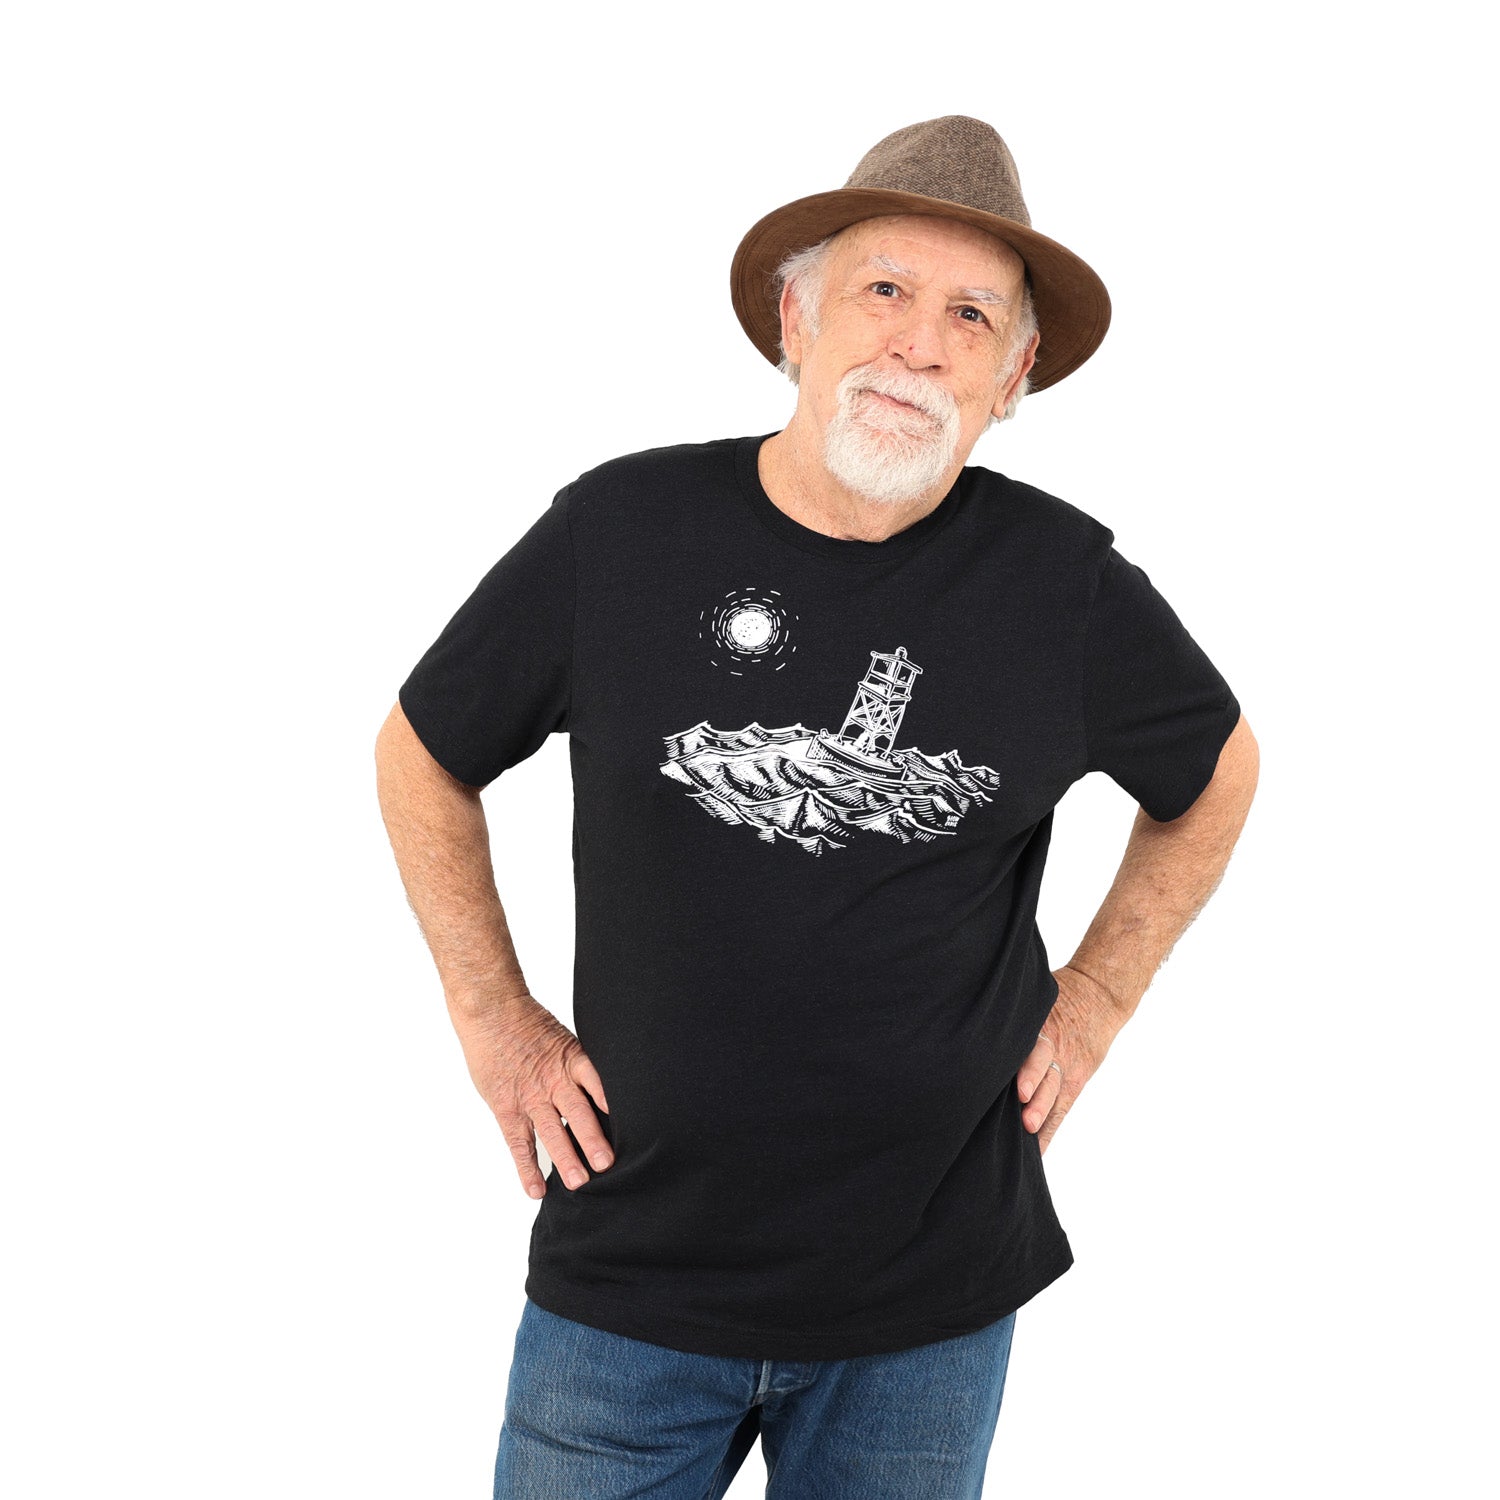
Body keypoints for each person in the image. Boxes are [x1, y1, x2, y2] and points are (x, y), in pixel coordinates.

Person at [374, 114, 1259, 1500]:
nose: (918, 343)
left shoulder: (1064, 586)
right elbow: (423, 749)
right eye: (883, 292)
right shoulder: (619, 534)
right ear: (797, 320)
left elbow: (1217, 777)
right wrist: (493, 1015)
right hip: (629, 1288)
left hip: (930, 1305)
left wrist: (1095, 996)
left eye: (971, 314)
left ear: (1015, 373)